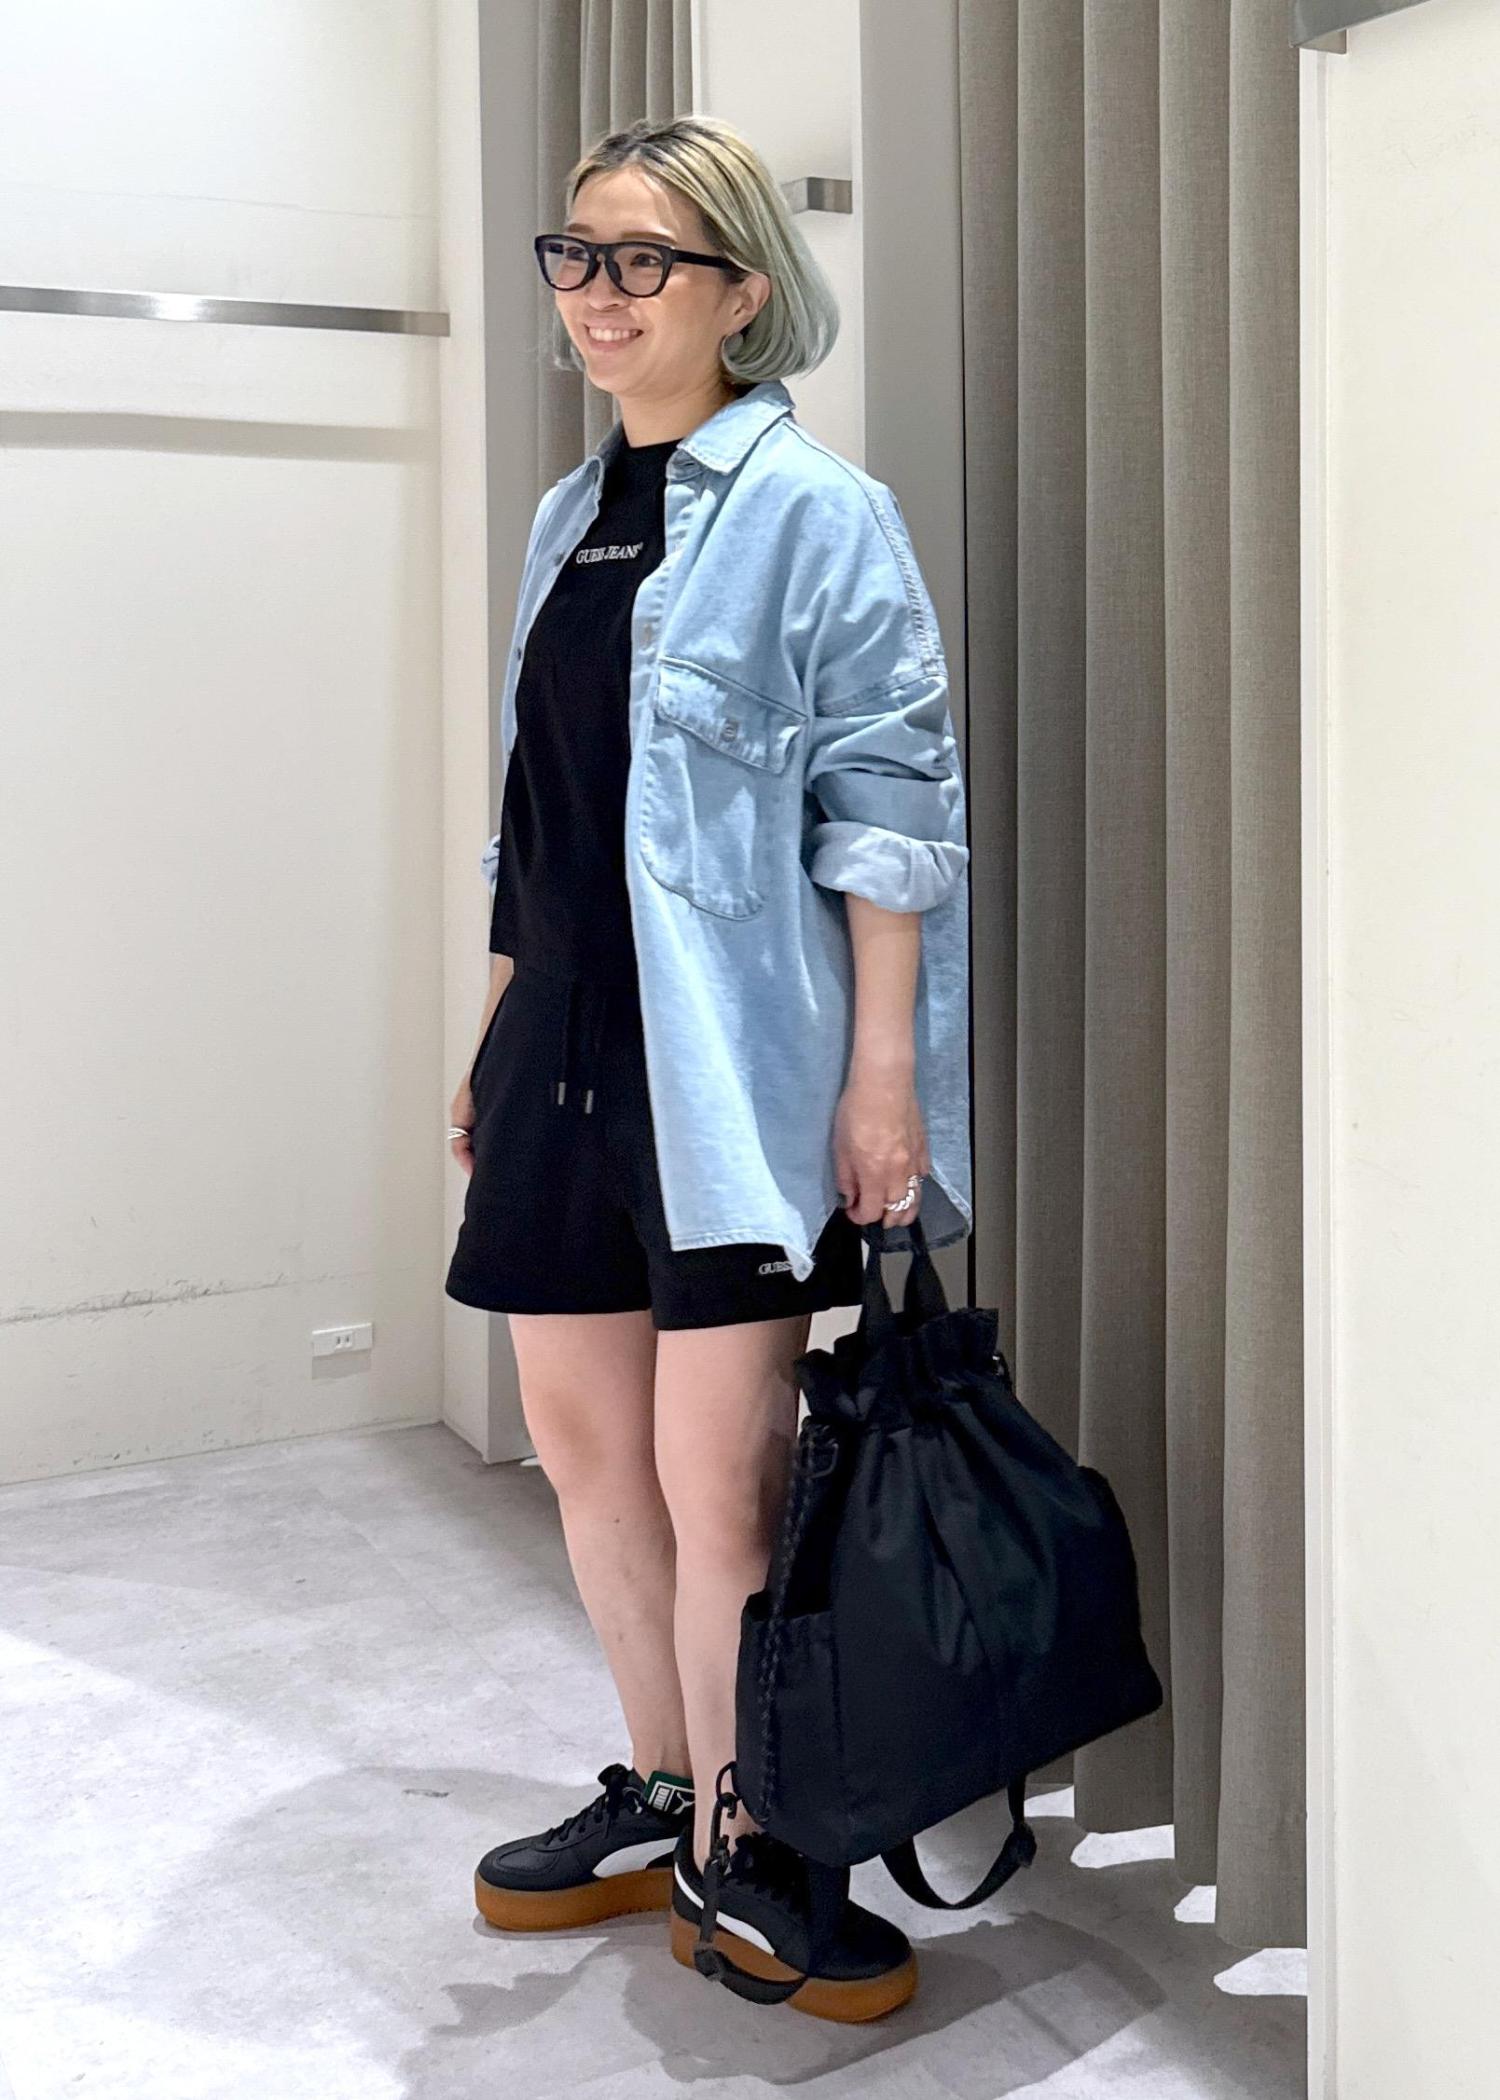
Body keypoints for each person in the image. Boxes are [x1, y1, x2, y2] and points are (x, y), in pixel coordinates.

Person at [444, 112, 972, 2024]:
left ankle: (751, 1848)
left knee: (715, 1481)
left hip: (729, 1066)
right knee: (587, 1457)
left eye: (644, 260)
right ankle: (666, 1790)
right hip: (559, 1049)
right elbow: (538, 816)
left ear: (743, 290)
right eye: (577, 255)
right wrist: (494, 1028)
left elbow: (890, 816)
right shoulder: (566, 518)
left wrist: (887, 1080)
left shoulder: (822, 513)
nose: (599, 294)